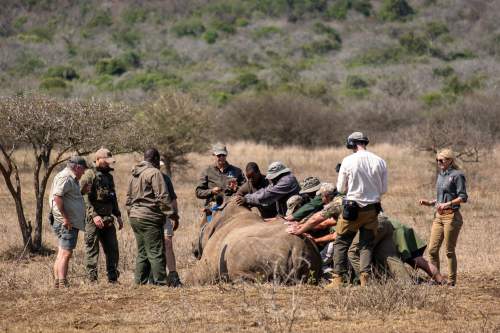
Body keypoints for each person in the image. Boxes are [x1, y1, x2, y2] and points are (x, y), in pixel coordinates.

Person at [330, 132, 387, 287]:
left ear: (352, 144)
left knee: (341, 242)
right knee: (366, 244)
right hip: (372, 209)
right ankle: (365, 279)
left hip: (352, 210)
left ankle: (338, 279)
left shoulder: (348, 161)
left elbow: (341, 188)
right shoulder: (380, 161)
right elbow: (383, 189)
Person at [126, 148, 177, 285]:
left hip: (135, 217)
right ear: (155, 159)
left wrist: (132, 213)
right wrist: (172, 215)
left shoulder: (134, 174)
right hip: (149, 218)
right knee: (156, 252)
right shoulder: (154, 173)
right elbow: (163, 197)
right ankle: (161, 283)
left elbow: (128, 199)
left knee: (142, 252)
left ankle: (139, 283)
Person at [419, 148, 467, 286]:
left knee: (449, 251)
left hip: (451, 216)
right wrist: (430, 202)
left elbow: (463, 197)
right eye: (437, 160)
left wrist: (448, 204)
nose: (439, 162)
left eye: (442, 160)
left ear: (450, 160)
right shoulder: (441, 175)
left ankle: (451, 282)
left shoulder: (458, 175)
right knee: (432, 250)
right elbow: (441, 198)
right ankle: (436, 279)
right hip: (438, 217)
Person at [79, 148, 122, 283]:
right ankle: (92, 280)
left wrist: (118, 215)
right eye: (106, 161)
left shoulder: (108, 176)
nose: (108, 164)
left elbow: (113, 197)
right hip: (94, 220)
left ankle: (113, 279)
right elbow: (84, 197)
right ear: (98, 160)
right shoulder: (89, 175)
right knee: (92, 250)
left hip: (108, 218)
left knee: (113, 250)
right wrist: (94, 215)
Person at [49, 156, 88, 288]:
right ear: (77, 167)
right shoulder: (66, 177)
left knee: (62, 251)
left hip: (67, 221)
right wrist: (66, 218)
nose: (83, 172)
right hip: (66, 222)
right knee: (66, 252)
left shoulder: (71, 178)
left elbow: (69, 197)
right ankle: (62, 283)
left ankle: (57, 283)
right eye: (83, 169)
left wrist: (82, 192)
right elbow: (57, 197)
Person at [195, 143, 245, 217]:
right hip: (213, 208)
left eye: (223, 155)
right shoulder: (207, 171)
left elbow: (246, 189)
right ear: (213, 155)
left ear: (226, 155)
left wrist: (236, 188)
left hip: (233, 207)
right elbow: (198, 192)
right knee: (206, 228)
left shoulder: (237, 171)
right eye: (219, 155)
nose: (221, 157)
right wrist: (211, 191)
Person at [235, 161, 300, 216]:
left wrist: (247, 199)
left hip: (295, 213)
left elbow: (268, 194)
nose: (272, 179)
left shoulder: (286, 181)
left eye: (273, 176)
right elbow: (265, 190)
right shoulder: (278, 180)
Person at [159, 160, 182, 287]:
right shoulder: (143, 177)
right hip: (150, 218)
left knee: (168, 244)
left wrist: (176, 216)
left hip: (166, 216)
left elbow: (173, 198)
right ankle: (156, 276)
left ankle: (173, 275)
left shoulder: (166, 179)